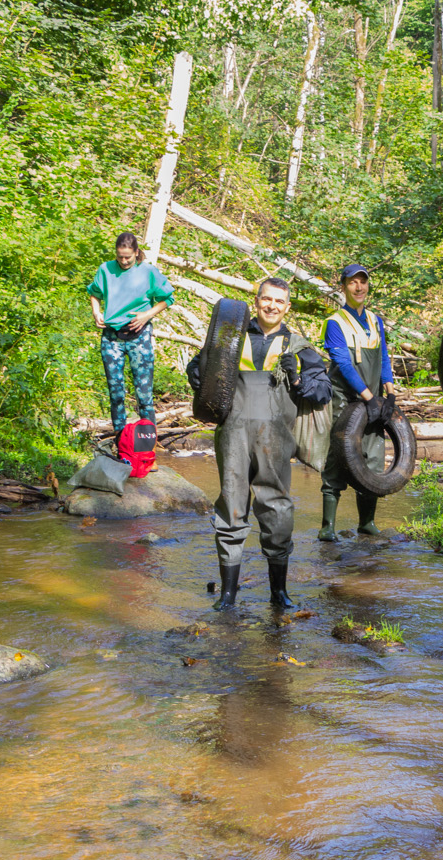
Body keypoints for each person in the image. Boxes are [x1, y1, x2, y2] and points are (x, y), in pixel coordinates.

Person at [187, 278, 331, 610]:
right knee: (231, 507)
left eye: (279, 302)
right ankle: (228, 594)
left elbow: (323, 392)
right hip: (232, 435)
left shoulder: (298, 346)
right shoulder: (230, 337)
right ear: (256, 301)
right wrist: (196, 374)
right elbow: (199, 367)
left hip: (276, 440)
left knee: (277, 508)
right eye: (266, 299)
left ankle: (278, 592)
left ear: (287, 307)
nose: (271, 306)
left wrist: (297, 378)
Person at [317, 264, 397, 541]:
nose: (359, 287)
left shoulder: (375, 320)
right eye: (353, 282)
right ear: (343, 287)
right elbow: (343, 364)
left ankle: (367, 523)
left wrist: (389, 392)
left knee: (373, 456)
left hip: (373, 399)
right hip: (344, 400)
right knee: (338, 457)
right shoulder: (334, 323)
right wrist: (368, 397)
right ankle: (327, 526)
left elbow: (383, 357)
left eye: (363, 282)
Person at [86, 231, 174, 429]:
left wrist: (147, 315)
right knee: (116, 393)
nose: (124, 261)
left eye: (128, 257)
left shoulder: (148, 272)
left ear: (136, 252)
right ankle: (121, 442)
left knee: (144, 394)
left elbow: (167, 298)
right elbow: (94, 293)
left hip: (139, 336)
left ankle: (148, 443)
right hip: (111, 335)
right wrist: (96, 312)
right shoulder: (106, 269)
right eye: (120, 257)